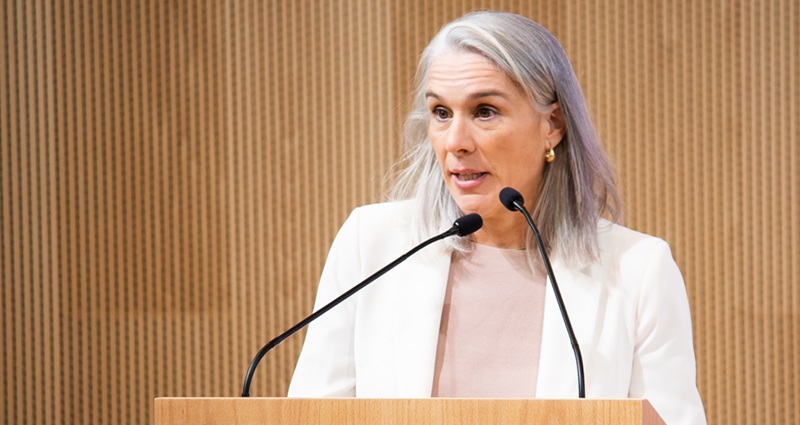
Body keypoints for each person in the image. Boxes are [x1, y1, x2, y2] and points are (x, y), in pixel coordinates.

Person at [288, 10, 706, 425]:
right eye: (441, 112)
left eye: (484, 111)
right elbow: (311, 416)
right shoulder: (371, 245)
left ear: (553, 125)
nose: (455, 142)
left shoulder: (638, 271)